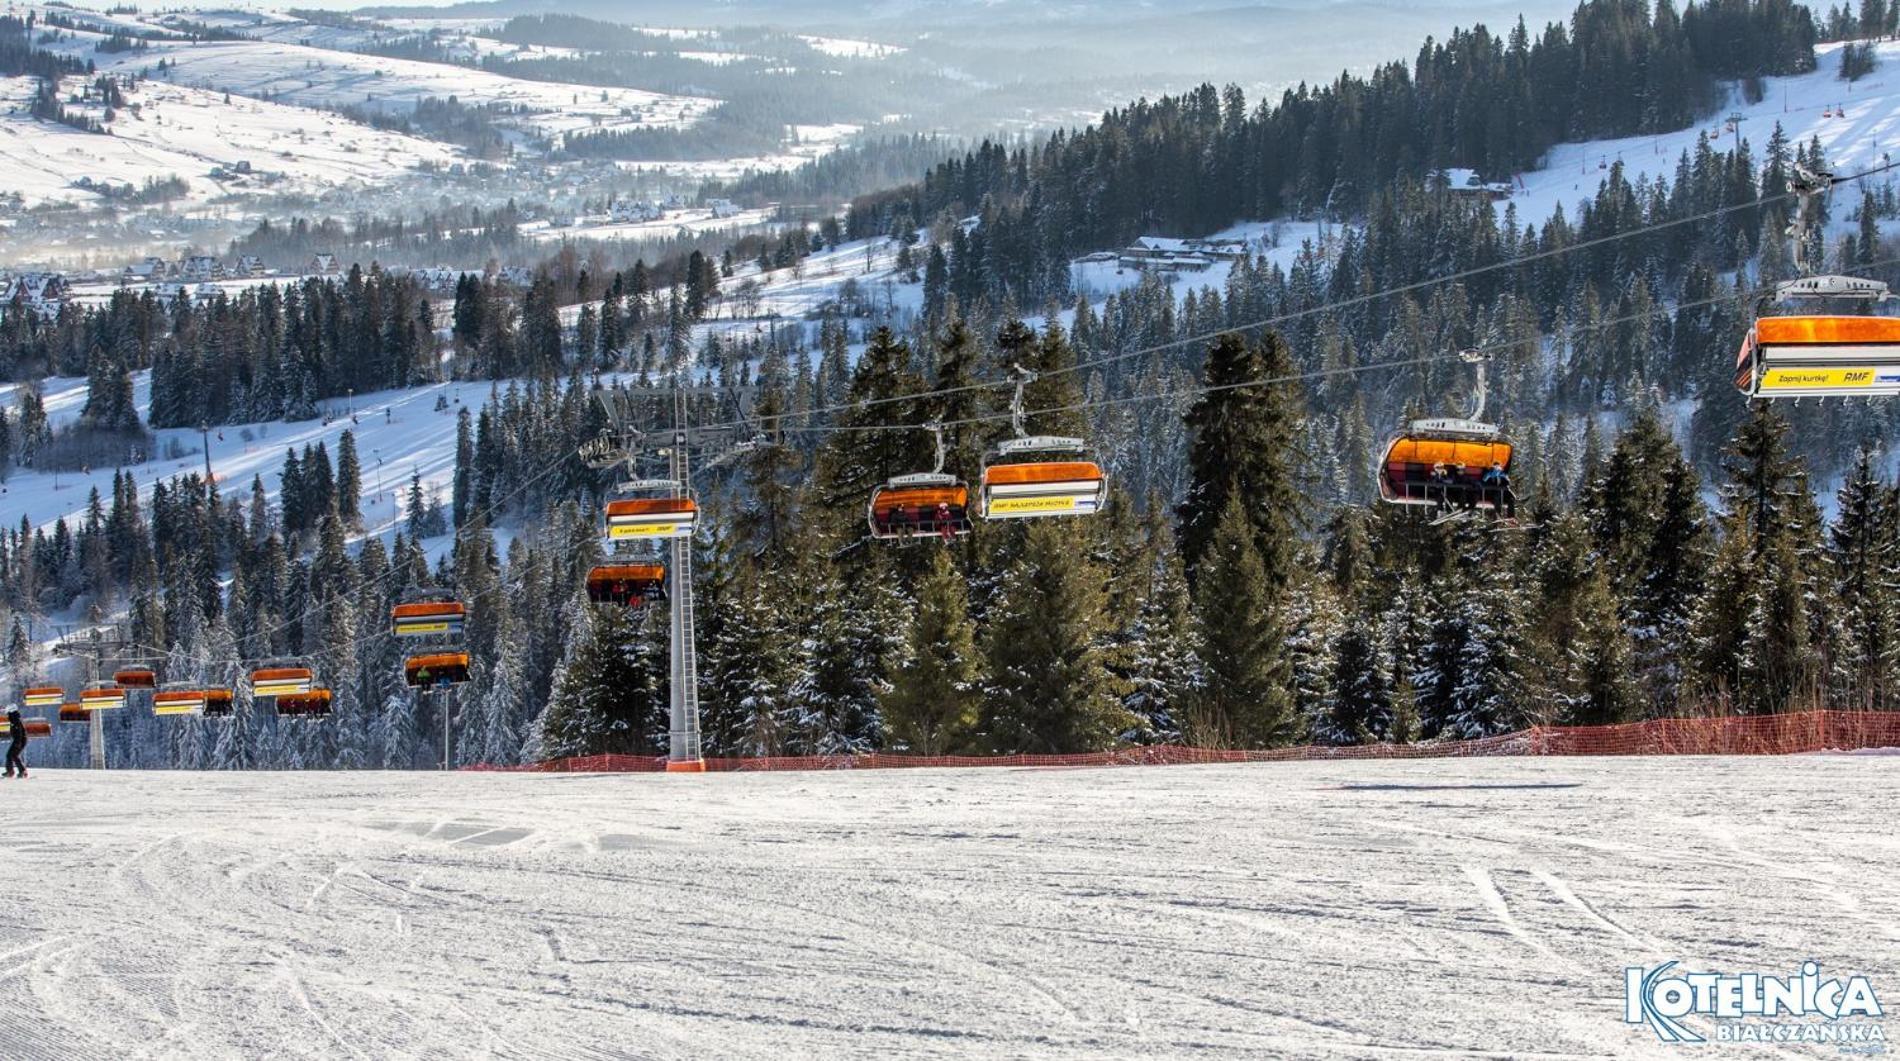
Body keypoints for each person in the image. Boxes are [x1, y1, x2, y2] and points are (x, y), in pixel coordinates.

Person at [5, 708, 25, 780]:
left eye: (8, 714)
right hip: (19, 740)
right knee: (13, 755)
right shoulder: (14, 719)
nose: (7, 715)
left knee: (10, 755)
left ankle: (11, 772)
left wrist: (18, 743)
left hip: (19, 741)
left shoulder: (15, 720)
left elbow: (19, 732)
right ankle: (21, 771)